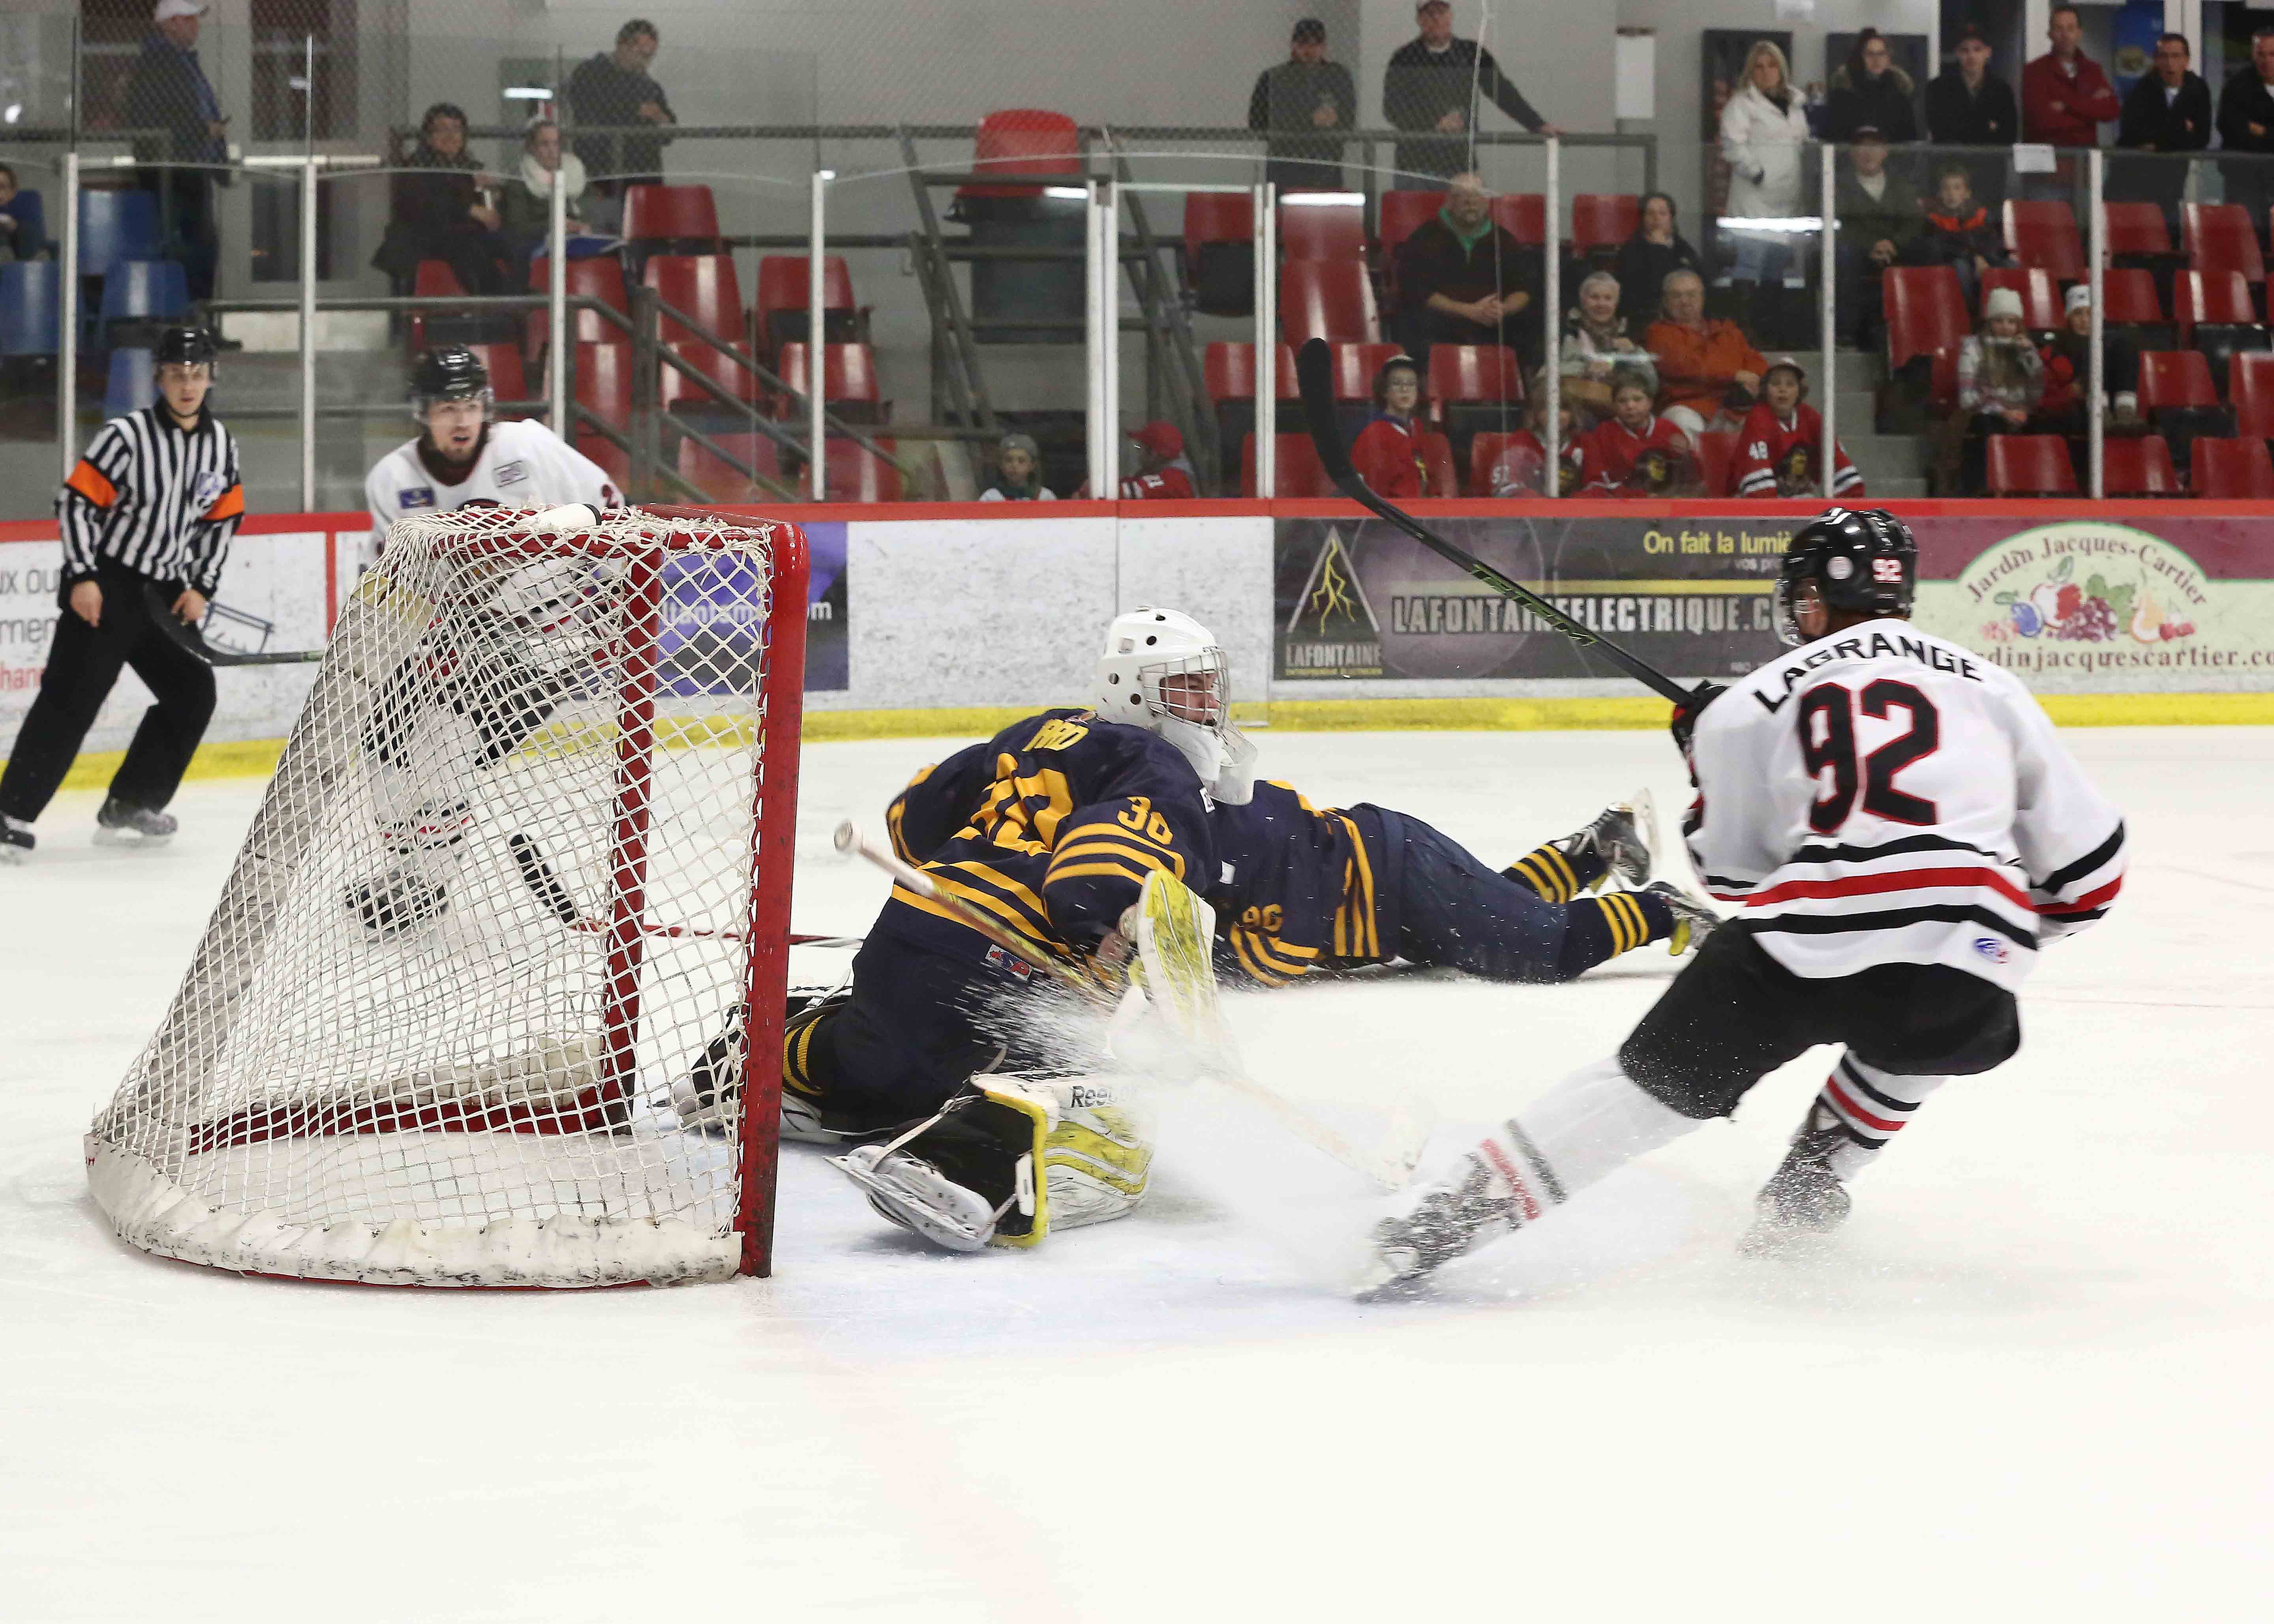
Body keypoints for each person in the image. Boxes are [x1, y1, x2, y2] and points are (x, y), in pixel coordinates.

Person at [1363, 508, 2128, 1294]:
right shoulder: (1993, 687)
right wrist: (1998, 939)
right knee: (1930, 996)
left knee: (1641, 1093)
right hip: (1969, 964)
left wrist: (1710, 759)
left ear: (1815, 598)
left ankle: (1438, 1223)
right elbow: (2092, 873)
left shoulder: (1750, 705)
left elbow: (1732, 878)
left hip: (1805, 948)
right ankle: (1810, 1186)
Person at [775, 608, 1237, 1254]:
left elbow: (912, 817)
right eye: (1189, 688)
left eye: (1208, 688)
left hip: (907, 935)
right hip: (999, 968)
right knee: (1110, 1091)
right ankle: (969, 1159)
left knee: (880, 1063)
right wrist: (1115, 939)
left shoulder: (1036, 732)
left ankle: (778, 1055)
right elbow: (1094, 880)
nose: (1207, 705)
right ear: (1134, 688)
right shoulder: (1158, 764)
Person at [348, 345, 625, 932]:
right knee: (382, 740)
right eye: (447, 407)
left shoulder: (529, 447)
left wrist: (615, 591)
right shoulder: (393, 480)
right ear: (423, 412)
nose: (461, 419)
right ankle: (404, 869)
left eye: (471, 404)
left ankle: (429, 884)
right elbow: (387, 581)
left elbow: (610, 510)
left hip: (545, 638)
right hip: (446, 641)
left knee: (447, 741)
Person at [0, 327, 241, 861]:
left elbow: (223, 520)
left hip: (167, 591)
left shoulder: (220, 444)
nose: (187, 385)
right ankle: (8, 811)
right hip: (108, 582)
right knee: (72, 697)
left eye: (197, 375)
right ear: (159, 377)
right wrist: (83, 575)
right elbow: (77, 503)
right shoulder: (127, 436)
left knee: (192, 691)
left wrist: (201, 584)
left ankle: (131, 801)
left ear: (210, 379)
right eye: (177, 374)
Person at [1210, 784, 1713, 991]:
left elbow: (1289, 946)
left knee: (1548, 948)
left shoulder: (1243, 837)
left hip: (1403, 881)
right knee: (1497, 909)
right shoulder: (1213, 823)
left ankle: (1665, 910)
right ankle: (1592, 853)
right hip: (1395, 880)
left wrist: (1221, 962)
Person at [1383, 0, 1559, 188]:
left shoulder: (1470, 54)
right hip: (1414, 164)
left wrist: (1537, 124)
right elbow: (1393, 108)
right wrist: (1434, 123)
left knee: (1466, 213)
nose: (1436, 19)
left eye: (1441, 12)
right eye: (1429, 14)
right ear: (1419, 19)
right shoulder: (1404, 58)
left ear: (1450, 16)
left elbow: (1503, 93)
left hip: (1460, 161)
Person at [124, 0, 230, 302]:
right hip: (174, 172)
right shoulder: (160, 61)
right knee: (190, 249)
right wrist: (203, 130)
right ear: (170, 23)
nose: (196, 26)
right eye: (189, 20)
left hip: (187, 168)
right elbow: (156, 117)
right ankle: (188, 321)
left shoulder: (179, 60)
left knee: (201, 246)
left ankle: (197, 320)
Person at [1391, 171, 1539, 371]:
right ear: (1449, 202)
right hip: (1442, 322)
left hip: (1491, 322)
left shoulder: (1504, 241)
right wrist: (1468, 311)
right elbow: (1416, 291)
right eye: (1461, 196)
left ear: (1487, 202)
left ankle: (1520, 393)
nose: (1470, 202)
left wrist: (1504, 309)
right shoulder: (1424, 239)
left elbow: (1524, 288)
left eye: (1476, 195)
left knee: (1530, 322)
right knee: (1413, 321)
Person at [371, 103, 512, 298]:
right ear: (429, 136)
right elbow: (426, 205)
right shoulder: (417, 166)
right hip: (424, 238)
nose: (451, 136)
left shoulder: (469, 167)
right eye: (443, 130)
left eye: (457, 130)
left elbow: (488, 207)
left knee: (509, 242)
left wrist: (493, 198)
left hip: (462, 235)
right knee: (469, 247)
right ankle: (498, 300)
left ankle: (519, 298)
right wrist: (470, 209)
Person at [1718, 40, 1812, 291]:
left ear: (1781, 69)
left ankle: (1770, 327)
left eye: (1772, 66)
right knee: (1750, 264)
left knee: (1776, 268)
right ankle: (1739, 326)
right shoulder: (1741, 104)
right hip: (1754, 198)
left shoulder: (1795, 105)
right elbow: (1732, 144)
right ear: (1750, 72)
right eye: (1759, 67)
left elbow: (1801, 142)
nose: (1766, 72)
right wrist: (1756, 173)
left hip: (1788, 196)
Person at [1645, 269, 1766, 444]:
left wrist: (1753, 378)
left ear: (1702, 298)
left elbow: (1756, 361)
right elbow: (1686, 366)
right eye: (1677, 296)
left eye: (1692, 295)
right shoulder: (1658, 333)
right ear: (1665, 301)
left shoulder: (1725, 330)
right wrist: (1735, 375)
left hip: (1734, 407)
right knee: (1683, 426)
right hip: (1688, 407)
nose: (1685, 301)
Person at [1949, 287, 2047, 496]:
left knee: (2049, 425)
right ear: (1990, 322)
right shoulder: (1973, 348)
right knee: (1988, 428)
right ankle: (1986, 491)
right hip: (1986, 414)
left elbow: (2037, 393)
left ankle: (2039, 492)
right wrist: (2002, 410)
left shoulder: (2025, 348)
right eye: (1999, 321)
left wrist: (2029, 357)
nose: (2005, 327)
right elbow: (1967, 400)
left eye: (2012, 322)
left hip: (2021, 414)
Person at [1248, 18, 1357, 196]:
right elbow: (1257, 122)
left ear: (1324, 46)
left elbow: (1348, 119)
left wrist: (1333, 120)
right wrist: (1311, 120)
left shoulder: (1338, 76)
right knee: (1283, 217)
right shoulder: (1273, 78)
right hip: (1285, 163)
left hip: (1325, 163)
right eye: (1304, 43)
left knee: (1322, 218)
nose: (1310, 50)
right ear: (1294, 45)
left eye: (1316, 44)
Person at [2111, 33, 2210, 230]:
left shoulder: (2198, 89)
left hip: (2172, 183)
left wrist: (2159, 139)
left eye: (2176, 56)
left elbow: (2201, 138)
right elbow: (2133, 133)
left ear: (2186, 60)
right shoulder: (2143, 88)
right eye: (2164, 57)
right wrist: (2181, 129)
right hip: (2134, 181)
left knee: (2169, 236)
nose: (2170, 63)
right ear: (2156, 60)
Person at [1833, 130, 1921, 350]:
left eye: (1875, 146)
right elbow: (1838, 222)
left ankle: (1917, 331)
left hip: (1895, 252)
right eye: (1862, 147)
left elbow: (1915, 221)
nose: (1868, 153)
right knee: (1843, 257)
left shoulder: (1900, 183)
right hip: (1856, 252)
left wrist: (1894, 244)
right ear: (1852, 153)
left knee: (1928, 251)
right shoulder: (1837, 183)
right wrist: (1870, 246)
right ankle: (1846, 336)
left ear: (1885, 152)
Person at [567, 18, 677, 189]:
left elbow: (669, 131)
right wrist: (635, 111)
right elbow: (591, 111)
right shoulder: (590, 73)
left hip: (645, 176)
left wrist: (659, 117)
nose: (646, 62)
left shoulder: (649, 86)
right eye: (642, 55)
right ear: (623, 46)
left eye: (650, 57)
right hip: (601, 174)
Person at [1731, 358, 1863, 500]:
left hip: (1798, 496)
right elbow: (1758, 490)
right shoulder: (1758, 417)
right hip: (1753, 500)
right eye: (1776, 384)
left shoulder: (1810, 416)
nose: (1783, 389)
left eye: (1790, 384)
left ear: (1799, 390)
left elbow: (1835, 455)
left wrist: (1852, 496)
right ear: (1765, 389)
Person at [1925, 26, 2018, 217]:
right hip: (1951, 172)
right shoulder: (1939, 88)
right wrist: (1987, 126)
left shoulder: (2002, 90)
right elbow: (1940, 130)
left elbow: (2009, 134)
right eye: (1965, 50)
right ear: (1958, 54)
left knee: (1987, 225)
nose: (1971, 56)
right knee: (1948, 225)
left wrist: (1962, 124)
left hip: (1989, 173)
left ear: (1988, 53)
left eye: (1977, 50)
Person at [496, 117, 609, 274]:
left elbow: (594, 205)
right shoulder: (520, 180)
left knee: (615, 250)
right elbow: (518, 227)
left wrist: (584, 225)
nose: (552, 151)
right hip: (538, 241)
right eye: (544, 144)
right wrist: (557, 226)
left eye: (555, 144)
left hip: (577, 237)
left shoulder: (574, 174)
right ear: (532, 148)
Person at [1905, 162, 2006, 310]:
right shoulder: (1932, 218)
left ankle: (2001, 314)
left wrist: (1984, 257)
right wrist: (1974, 257)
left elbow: (1993, 242)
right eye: (1946, 189)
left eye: (1957, 188)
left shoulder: (1981, 215)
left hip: (1982, 262)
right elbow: (1940, 247)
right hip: (1948, 267)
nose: (1951, 194)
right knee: (1961, 267)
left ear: (1967, 193)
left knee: (2010, 266)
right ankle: (1966, 314)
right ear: (1939, 193)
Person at [1559, 271, 1657, 420]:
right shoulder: (1566, 331)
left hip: (1622, 407)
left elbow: (1651, 383)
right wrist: (1584, 369)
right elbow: (1545, 374)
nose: (1601, 304)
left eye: (1608, 298)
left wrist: (1634, 353)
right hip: (1577, 406)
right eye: (1594, 298)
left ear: (1616, 304)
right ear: (1583, 301)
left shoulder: (1629, 334)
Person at [1578, 377, 1699, 495]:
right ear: (1614, 406)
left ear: (1650, 403)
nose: (1630, 406)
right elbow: (1595, 477)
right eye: (1622, 401)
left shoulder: (1668, 429)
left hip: (1665, 501)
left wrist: (1686, 454)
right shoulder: (1603, 433)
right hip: (1622, 502)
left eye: (1637, 400)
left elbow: (1690, 476)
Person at [2022, 6, 2120, 150]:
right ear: (2050, 34)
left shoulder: (2092, 70)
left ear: (2079, 33)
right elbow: (2042, 120)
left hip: (2085, 159)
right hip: (2049, 159)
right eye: (2059, 29)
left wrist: (2067, 106)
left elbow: (2111, 111)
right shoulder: (2034, 71)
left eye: (2071, 29)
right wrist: (2090, 110)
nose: (2065, 35)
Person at [1609, 193, 1703, 328]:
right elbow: (1648, 287)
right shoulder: (1631, 250)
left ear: (1671, 218)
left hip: (1688, 317)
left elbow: (1700, 278)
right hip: (1647, 319)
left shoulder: (1683, 247)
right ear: (1643, 219)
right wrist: (1659, 249)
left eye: (1662, 213)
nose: (1657, 218)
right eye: (1651, 214)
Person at [2216, 28, 2274, 236]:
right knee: (2245, 239)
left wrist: (2262, 131)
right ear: (2253, 55)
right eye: (2261, 54)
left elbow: (2246, 132)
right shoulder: (2237, 86)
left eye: (2273, 54)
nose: (2266, 61)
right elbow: (2231, 129)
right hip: (2243, 179)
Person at [1349, 355, 1434, 497]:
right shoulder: (1374, 434)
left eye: (1411, 384)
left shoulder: (1417, 428)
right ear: (1385, 391)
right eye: (1397, 383)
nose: (1405, 389)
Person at [1485, 383, 1585, 497]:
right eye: (1547, 408)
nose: (1555, 415)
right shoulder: (1520, 442)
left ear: (1573, 414)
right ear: (1535, 414)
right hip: (1531, 511)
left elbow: (1596, 486)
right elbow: (1506, 490)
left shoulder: (1585, 443)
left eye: (1563, 409)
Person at [1824, 29, 1919, 146]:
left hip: (1892, 162)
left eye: (1881, 54)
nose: (1876, 59)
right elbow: (1834, 140)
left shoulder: (1900, 99)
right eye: (1870, 54)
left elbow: (1909, 143)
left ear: (1888, 57)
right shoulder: (1842, 97)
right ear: (1859, 57)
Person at [978, 432, 1055, 501]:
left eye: (1021, 461)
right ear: (1001, 465)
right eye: (1009, 460)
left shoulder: (1045, 497)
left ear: (1032, 465)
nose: (1014, 465)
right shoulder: (991, 497)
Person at [0, 163, 50, 263]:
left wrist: (13, 225)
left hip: (20, 245)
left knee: (26, 230)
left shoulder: (26, 205)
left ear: (13, 191)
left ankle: (32, 260)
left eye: (2, 187)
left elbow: (35, 233)